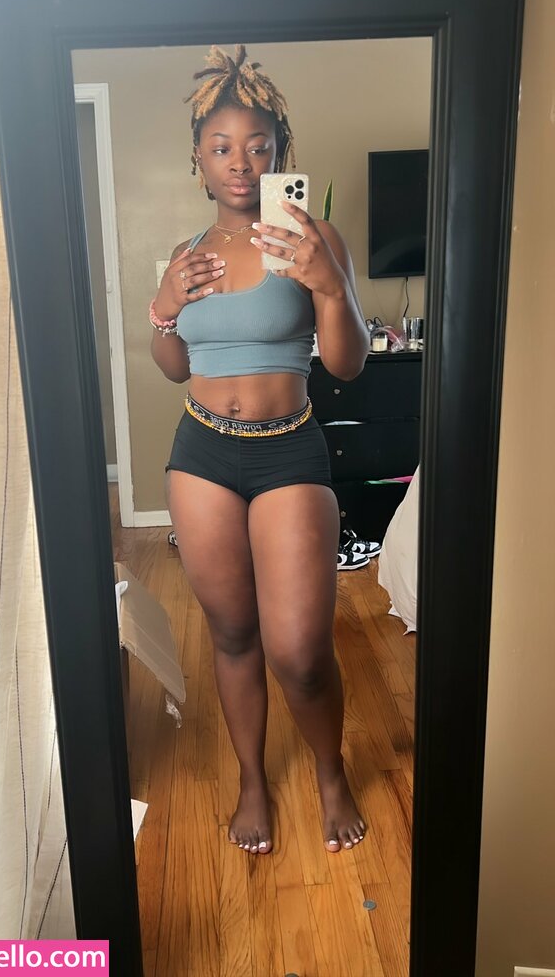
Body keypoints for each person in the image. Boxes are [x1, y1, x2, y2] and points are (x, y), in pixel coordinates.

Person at [150, 45, 370, 855]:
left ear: (280, 152)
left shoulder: (313, 238)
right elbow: (175, 365)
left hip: (288, 452)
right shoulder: (189, 256)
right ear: (200, 161)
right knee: (233, 634)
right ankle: (252, 779)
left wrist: (329, 284)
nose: (240, 162)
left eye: (257, 146)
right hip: (202, 454)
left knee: (301, 651)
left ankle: (330, 771)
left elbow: (346, 364)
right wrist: (164, 307)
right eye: (221, 148)